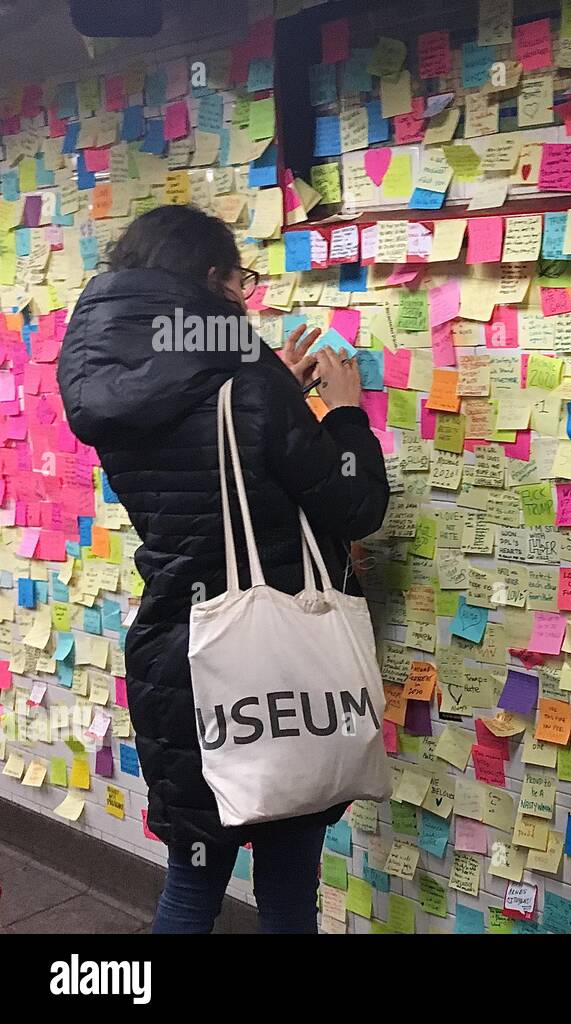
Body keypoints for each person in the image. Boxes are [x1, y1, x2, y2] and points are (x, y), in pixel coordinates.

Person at [56, 205, 390, 933]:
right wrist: (342, 415)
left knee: (193, 880)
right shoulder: (252, 387)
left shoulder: (116, 387)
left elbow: (209, 450)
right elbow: (357, 505)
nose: (248, 295)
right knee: (287, 885)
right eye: (243, 280)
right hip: (273, 673)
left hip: (179, 660)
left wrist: (270, 385)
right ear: (211, 281)